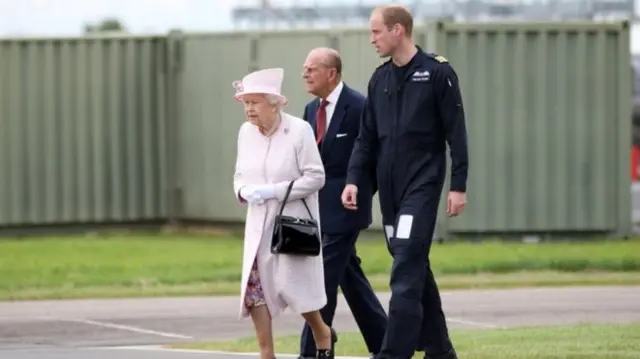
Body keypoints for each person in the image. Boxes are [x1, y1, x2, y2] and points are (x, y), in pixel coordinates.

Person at [341, 5, 469, 359]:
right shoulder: (379, 79)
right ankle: (440, 350)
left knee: (405, 267)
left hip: (423, 186)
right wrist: (354, 180)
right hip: (391, 192)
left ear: (398, 31)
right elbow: (366, 140)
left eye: (376, 32)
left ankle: (393, 352)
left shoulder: (437, 73)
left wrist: (458, 186)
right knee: (411, 260)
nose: (372, 40)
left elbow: (456, 134)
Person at [232, 67, 338, 359]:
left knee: (297, 291)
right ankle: (267, 353)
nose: (249, 109)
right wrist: (243, 191)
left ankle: (321, 331)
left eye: (254, 102)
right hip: (257, 227)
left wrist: (273, 191)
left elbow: (316, 177)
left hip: (291, 225)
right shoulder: (245, 133)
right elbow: (239, 175)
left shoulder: (299, 131)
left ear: (273, 102)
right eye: (245, 103)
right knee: (255, 292)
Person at [298, 47, 388, 359]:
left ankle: (312, 351)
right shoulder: (310, 110)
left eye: (311, 69)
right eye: (305, 69)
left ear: (332, 73)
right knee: (351, 279)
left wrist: (362, 195)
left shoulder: (360, 106)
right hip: (317, 212)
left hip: (346, 211)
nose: (304, 74)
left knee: (322, 279)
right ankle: (386, 345)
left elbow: (374, 158)